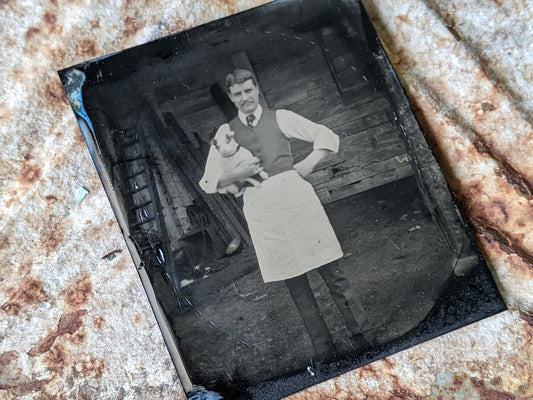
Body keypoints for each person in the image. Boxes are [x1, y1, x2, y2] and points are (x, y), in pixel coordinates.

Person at [199, 69, 372, 363]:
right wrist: (234, 174)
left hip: (296, 199)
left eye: (249, 91)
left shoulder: (280, 117)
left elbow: (325, 134)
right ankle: (324, 349)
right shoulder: (224, 133)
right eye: (238, 94)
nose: (245, 98)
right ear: (231, 97)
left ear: (257, 90)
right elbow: (209, 182)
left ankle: (363, 336)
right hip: (261, 209)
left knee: (332, 271)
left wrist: (310, 162)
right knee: (295, 280)